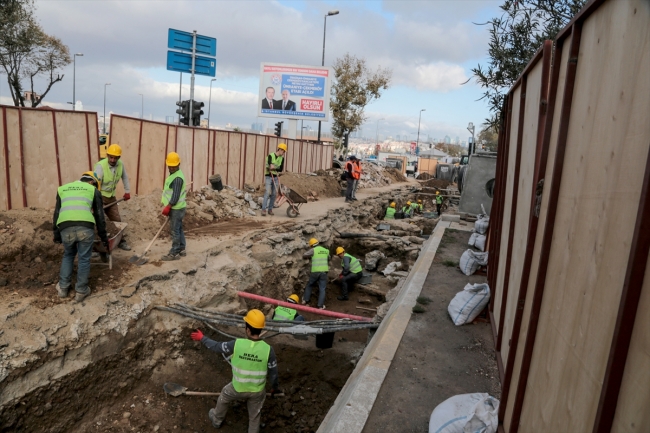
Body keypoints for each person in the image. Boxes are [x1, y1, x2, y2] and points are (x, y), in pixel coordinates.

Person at [190, 309, 280, 433]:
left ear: (247, 329)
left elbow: (217, 346)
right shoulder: (269, 350)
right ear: (260, 329)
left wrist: (202, 338)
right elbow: (274, 374)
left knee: (224, 395)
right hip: (257, 391)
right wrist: (274, 388)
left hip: (237, 388)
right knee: (254, 417)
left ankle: (216, 420)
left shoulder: (236, 344)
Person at [53, 171, 109, 303]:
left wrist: (56, 234)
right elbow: (99, 216)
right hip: (85, 226)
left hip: (65, 226)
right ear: (92, 182)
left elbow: (56, 213)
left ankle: (63, 288)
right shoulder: (93, 190)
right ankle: (81, 291)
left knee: (68, 254)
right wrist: (103, 236)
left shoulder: (63, 189)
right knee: (84, 259)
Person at [94, 143, 131, 250]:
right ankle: (96, 246)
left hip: (111, 197)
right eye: (111, 157)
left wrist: (127, 191)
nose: (113, 160)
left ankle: (121, 241)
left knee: (117, 220)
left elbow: (125, 178)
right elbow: (95, 184)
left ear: (119, 157)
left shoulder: (120, 165)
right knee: (97, 221)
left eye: (115, 158)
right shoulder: (100, 166)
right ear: (107, 156)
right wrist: (95, 202)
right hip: (100, 196)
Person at [161, 152, 187, 261]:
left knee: (175, 230)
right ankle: (181, 248)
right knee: (179, 228)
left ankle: (174, 252)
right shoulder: (175, 175)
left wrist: (168, 206)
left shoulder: (177, 179)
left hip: (176, 208)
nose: (171, 167)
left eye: (173, 165)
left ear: (178, 164)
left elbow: (175, 196)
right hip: (178, 207)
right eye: (170, 165)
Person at [302, 238, 329, 309]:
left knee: (310, 285)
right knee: (322, 289)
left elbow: (304, 255)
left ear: (311, 245)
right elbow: (328, 258)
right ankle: (320, 306)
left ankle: (305, 300)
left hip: (315, 271)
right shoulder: (326, 250)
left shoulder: (313, 250)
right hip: (324, 272)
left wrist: (310, 257)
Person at [261, 143, 287, 216]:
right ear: (280, 149)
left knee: (274, 194)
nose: (283, 153)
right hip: (269, 176)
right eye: (283, 151)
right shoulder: (270, 156)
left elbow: (280, 168)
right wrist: (271, 167)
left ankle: (270, 209)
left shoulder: (282, 158)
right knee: (267, 192)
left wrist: (274, 167)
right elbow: (268, 166)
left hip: (275, 177)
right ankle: (263, 209)